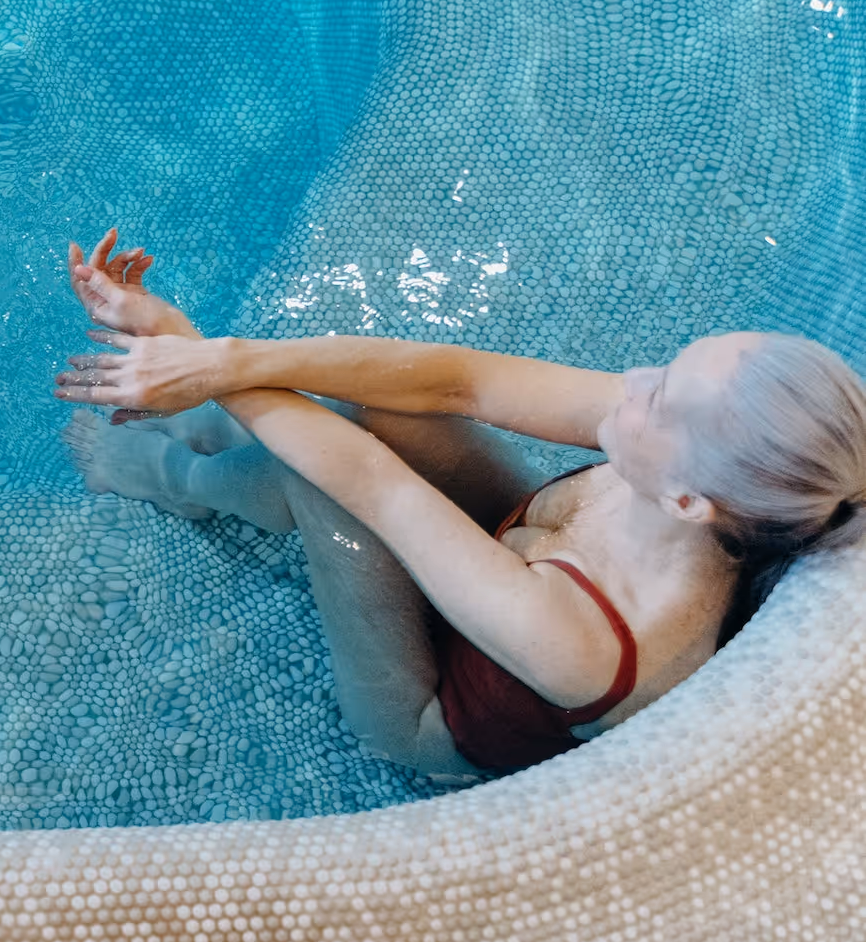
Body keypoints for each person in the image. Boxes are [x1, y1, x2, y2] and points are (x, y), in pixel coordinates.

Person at [50, 229, 866, 783]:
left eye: (661, 397)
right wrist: (225, 359)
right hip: (508, 555)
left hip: (421, 714)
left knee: (323, 483)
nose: (638, 381)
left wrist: (190, 349)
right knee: (397, 406)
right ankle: (204, 408)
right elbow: (458, 379)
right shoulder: (695, 473)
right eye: (669, 364)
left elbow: (370, 484)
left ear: (691, 498)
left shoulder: (593, 643)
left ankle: (171, 479)